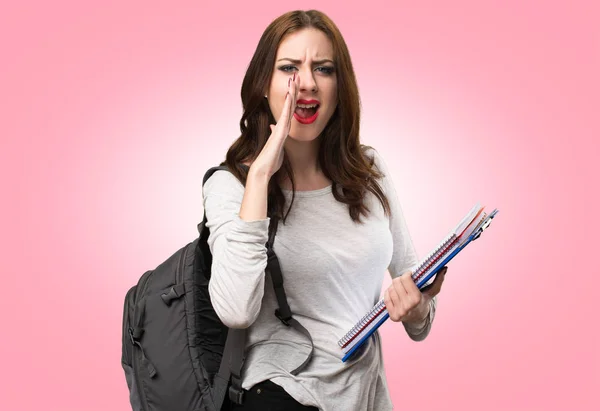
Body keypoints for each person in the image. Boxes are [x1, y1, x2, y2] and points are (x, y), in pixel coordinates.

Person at [202, 9, 446, 411]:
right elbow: (236, 310)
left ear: (340, 86)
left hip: (363, 396)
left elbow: (418, 301)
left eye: (324, 68)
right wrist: (260, 174)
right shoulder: (231, 185)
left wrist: (417, 308)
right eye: (289, 68)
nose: (308, 84)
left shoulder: (370, 171)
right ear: (265, 83)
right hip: (279, 394)